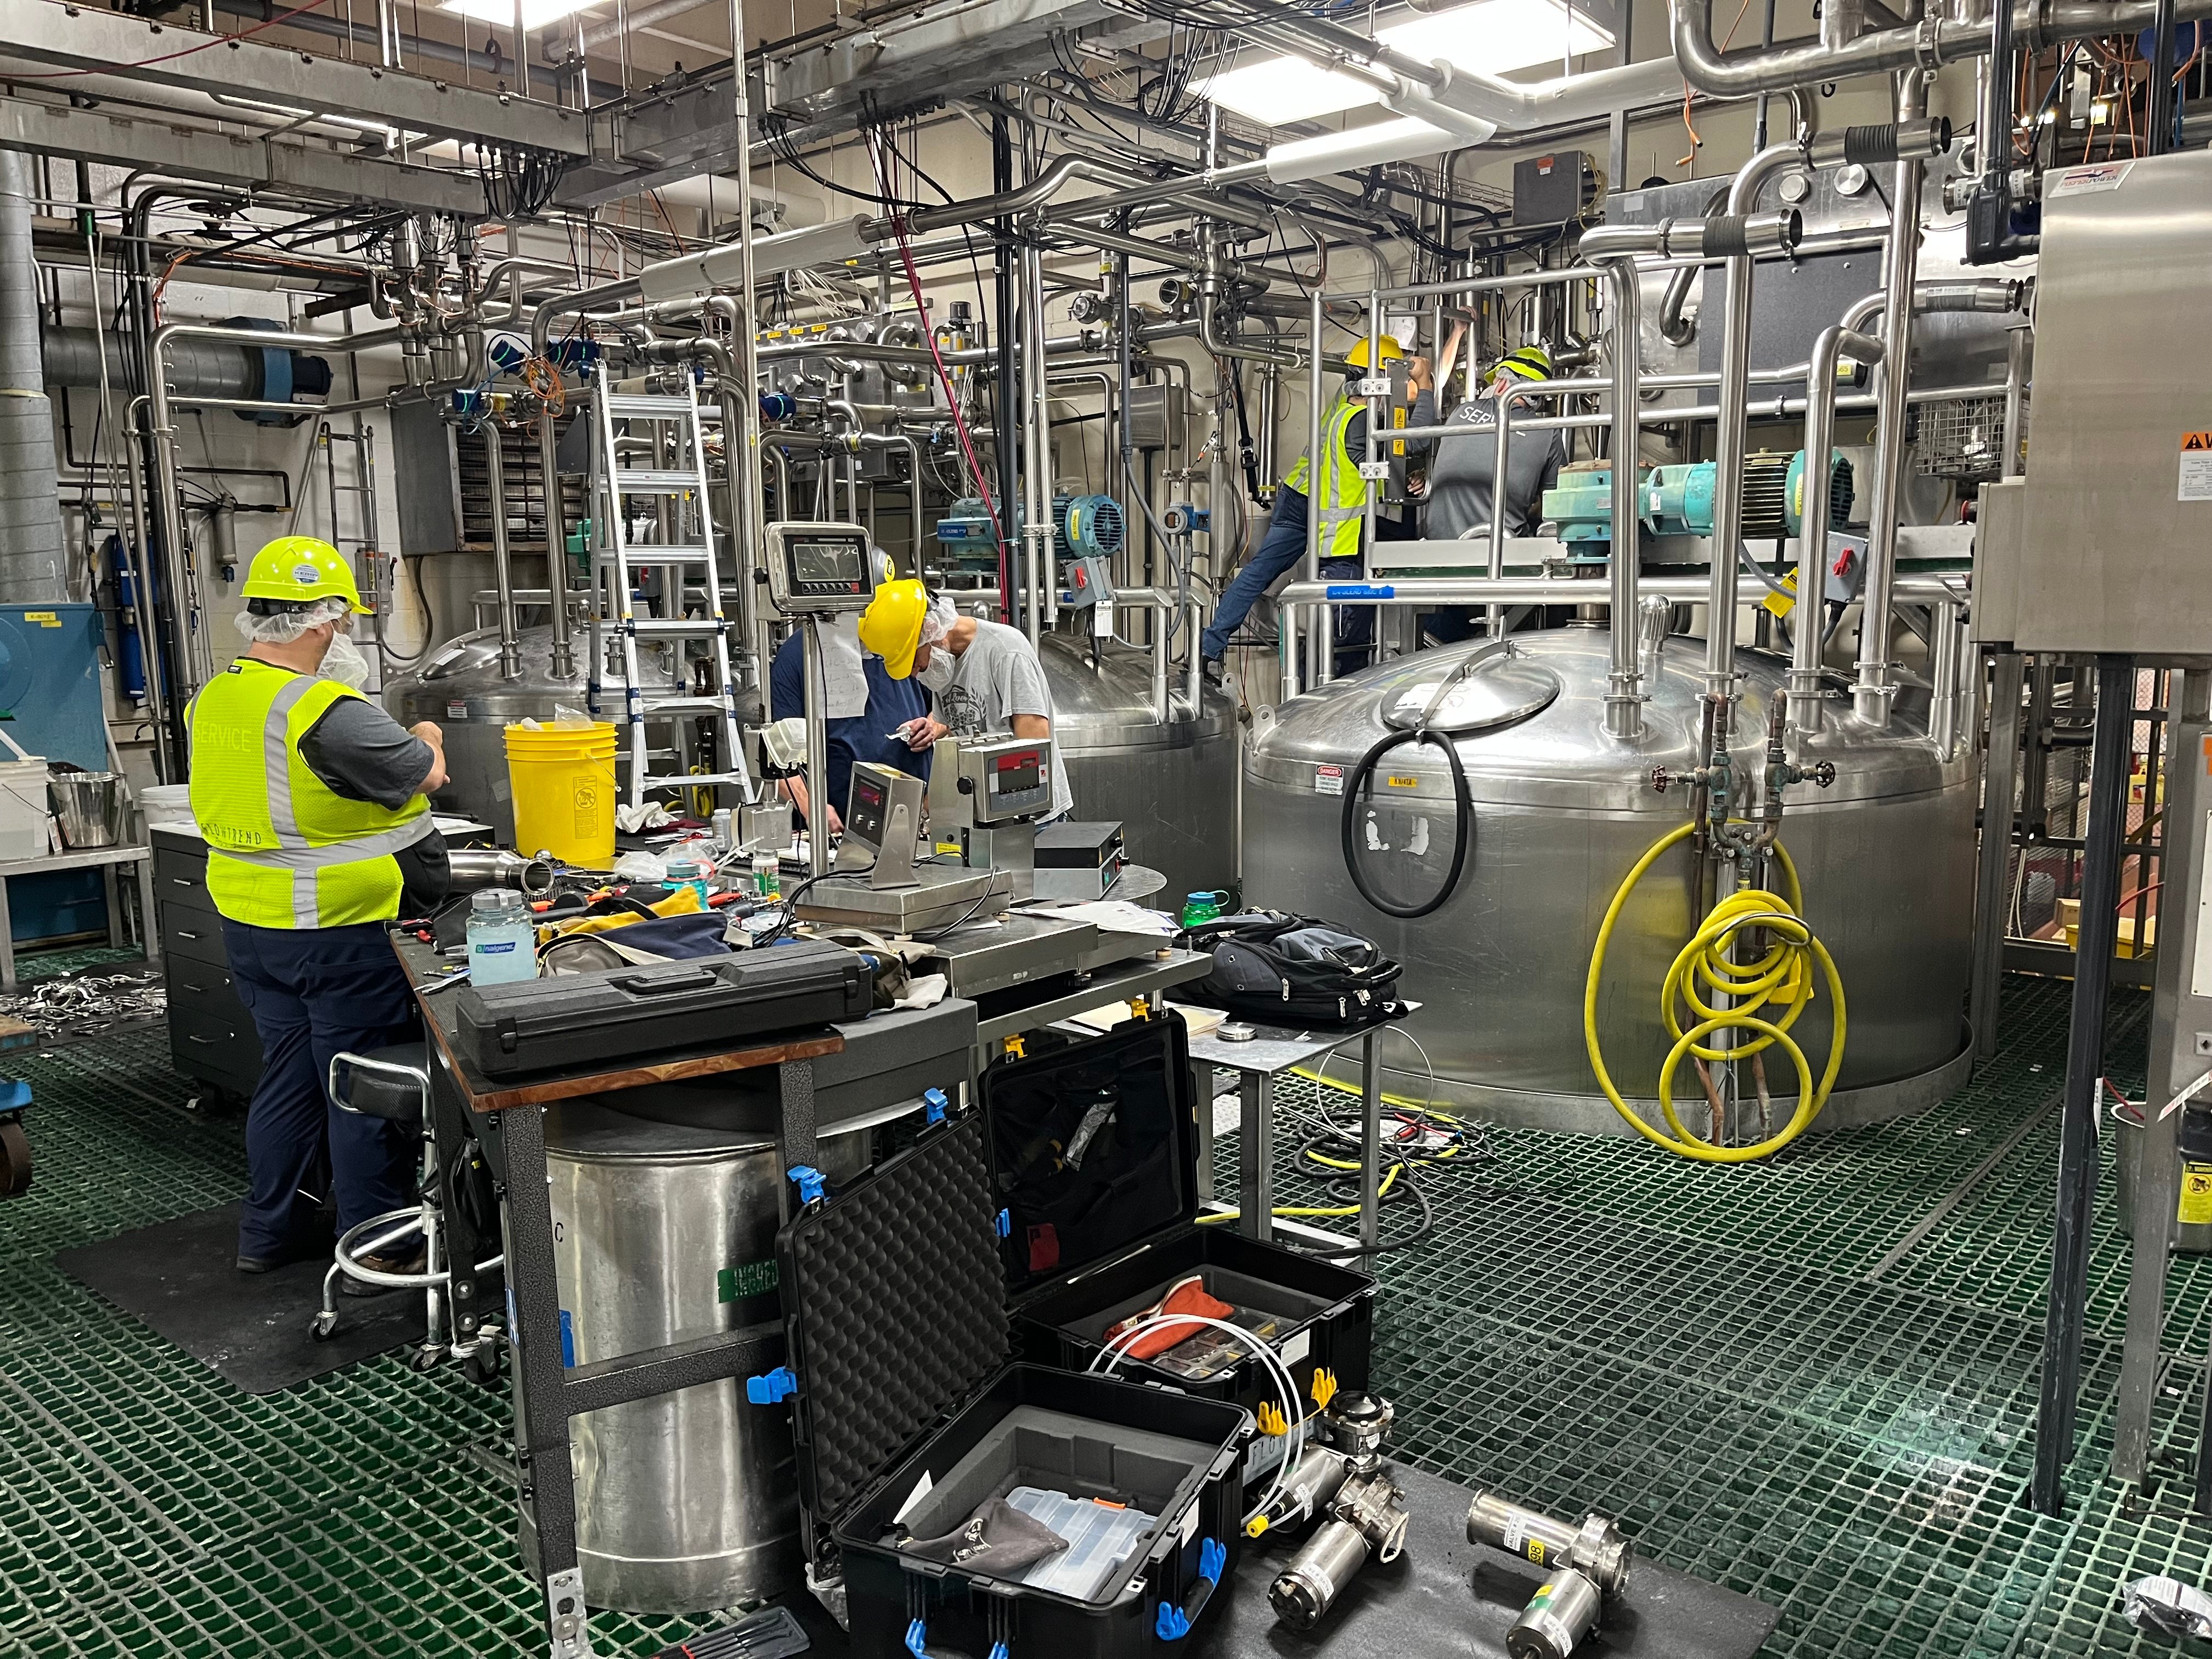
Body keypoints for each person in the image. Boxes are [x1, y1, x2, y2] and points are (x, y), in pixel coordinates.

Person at [188, 535, 450, 1282]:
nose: (343, 636)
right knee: (361, 1082)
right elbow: (428, 772)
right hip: (341, 935)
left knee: (290, 1077)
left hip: (252, 927)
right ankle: (382, 1245)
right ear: (320, 623)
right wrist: (426, 730)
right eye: (340, 622)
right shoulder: (324, 710)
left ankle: (268, 1232)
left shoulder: (217, 694)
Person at [1200, 335, 1435, 674]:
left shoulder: (1343, 406)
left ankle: (1209, 649)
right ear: (1384, 378)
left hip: (1296, 498)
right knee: (1348, 615)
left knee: (1257, 575)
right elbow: (1417, 441)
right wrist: (1425, 385)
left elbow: (1376, 458)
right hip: (1330, 517)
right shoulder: (1362, 420)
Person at [858, 579, 1074, 821]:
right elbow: (958, 732)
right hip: (981, 819)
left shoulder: (1005, 651)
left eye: (913, 661)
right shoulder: (945, 661)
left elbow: (1033, 743)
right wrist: (930, 808)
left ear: (932, 630)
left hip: (1030, 821)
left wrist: (1000, 819)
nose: (914, 673)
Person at [767, 610, 930, 833]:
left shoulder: (894, 641)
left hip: (917, 815)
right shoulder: (800, 655)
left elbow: (942, 711)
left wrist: (933, 726)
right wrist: (811, 808)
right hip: (843, 827)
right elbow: (778, 758)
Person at [1422, 337, 1565, 543]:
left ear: (1502, 384)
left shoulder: (1461, 411)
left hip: (1439, 543)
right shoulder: (1547, 432)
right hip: (1502, 548)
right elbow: (1555, 502)